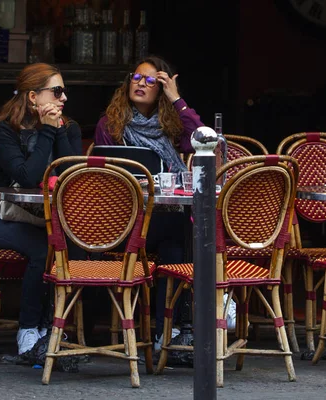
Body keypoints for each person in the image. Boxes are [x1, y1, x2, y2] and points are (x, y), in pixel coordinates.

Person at [94, 55, 204, 348]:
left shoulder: (171, 125)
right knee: (178, 230)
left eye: (151, 80)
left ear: (162, 89)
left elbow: (202, 140)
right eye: (137, 77)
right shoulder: (110, 124)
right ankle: (176, 326)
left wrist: (177, 98)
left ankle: (163, 331)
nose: (141, 83)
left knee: (174, 238)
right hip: (124, 219)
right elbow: (105, 177)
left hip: (160, 218)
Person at [0, 63, 84, 355]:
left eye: (64, 92)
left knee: (72, 248)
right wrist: (47, 132)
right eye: (57, 91)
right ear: (33, 97)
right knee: (42, 249)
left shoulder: (69, 128)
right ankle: (28, 332)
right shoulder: (3, 131)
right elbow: (26, 177)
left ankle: (53, 328)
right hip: (2, 218)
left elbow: (74, 174)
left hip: (50, 219)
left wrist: (57, 132)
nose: (63, 99)